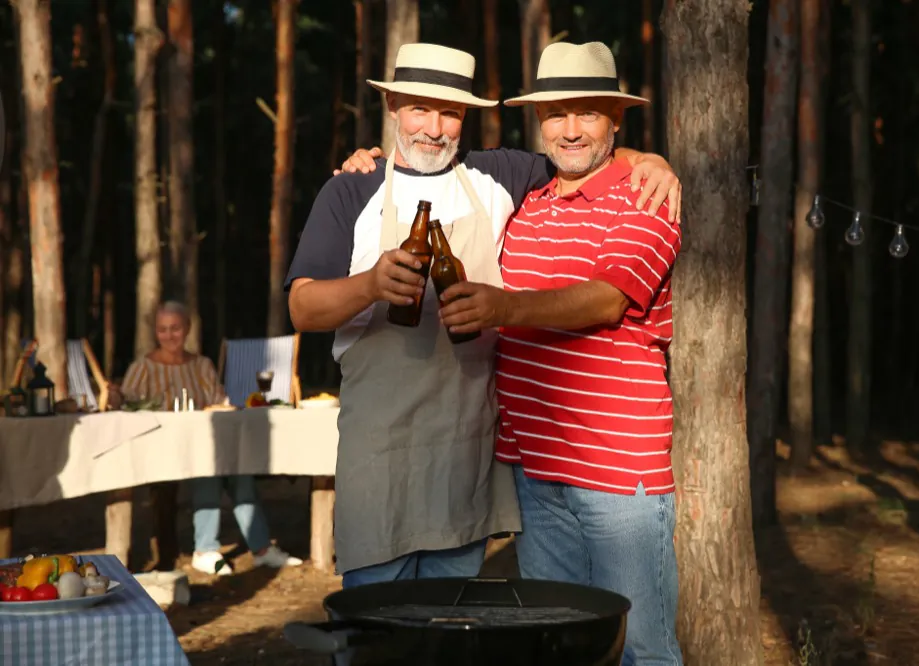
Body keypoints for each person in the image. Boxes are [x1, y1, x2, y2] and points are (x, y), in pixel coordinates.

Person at [286, 42, 681, 589]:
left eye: (449, 112)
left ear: (465, 118)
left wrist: (650, 161)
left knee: (453, 626)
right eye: (419, 108)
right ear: (394, 107)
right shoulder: (351, 188)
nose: (432, 126)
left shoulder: (499, 174)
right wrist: (370, 285)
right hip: (379, 455)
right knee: (376, 633)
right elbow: (302, 307)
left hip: (465, 451)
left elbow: (585, 154)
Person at [432, 42, 685, 665]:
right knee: (563, 647)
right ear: (538, 122)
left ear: (615, 120)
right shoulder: (530, 205)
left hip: (617, 476)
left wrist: (500, 308)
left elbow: (603, 300)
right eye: (556, 115)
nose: (570, 130)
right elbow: (428, 157)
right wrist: (371, 159)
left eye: (588, 114)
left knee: (643, 650)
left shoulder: (645, 199)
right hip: (538, 473)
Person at [117, 301, 302, 576]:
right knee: (208, 466)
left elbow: (218, 403)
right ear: (156, 332)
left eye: (176, 328)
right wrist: (115, 396)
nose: (170, 335)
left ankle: (261, 549)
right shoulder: (143, 368)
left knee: (237, 469)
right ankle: (205, 549)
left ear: (187, 329)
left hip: (202, 442)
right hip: (162, 449)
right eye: (163, 329)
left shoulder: (202, 365)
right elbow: (126, 406)